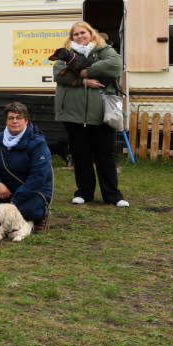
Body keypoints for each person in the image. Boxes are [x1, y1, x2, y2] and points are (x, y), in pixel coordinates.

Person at [54, 21, 129, 207]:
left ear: (91, 33)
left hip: (102, 113)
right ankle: (84, 193)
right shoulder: (65, 53)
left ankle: (113, 195)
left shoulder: (104, 50)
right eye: (76, 34)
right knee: (80, 154)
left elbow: (115, 66)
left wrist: (84, 71)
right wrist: (85, 81)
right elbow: (59, 74)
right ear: (71, 37)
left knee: (105, 154)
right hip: (73, 113)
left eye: (83, 32)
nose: (80, 36)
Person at [0, 102, 53, 230]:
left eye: (19, 118)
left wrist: (16, 200)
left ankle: (38, 216)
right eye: (11, 118)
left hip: (33, 189)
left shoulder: (38, 143)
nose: (15, 121)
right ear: (6, 121)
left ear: (26, 121)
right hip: (8, 187)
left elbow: (39, 176)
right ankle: (9, 216)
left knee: (27, 210)